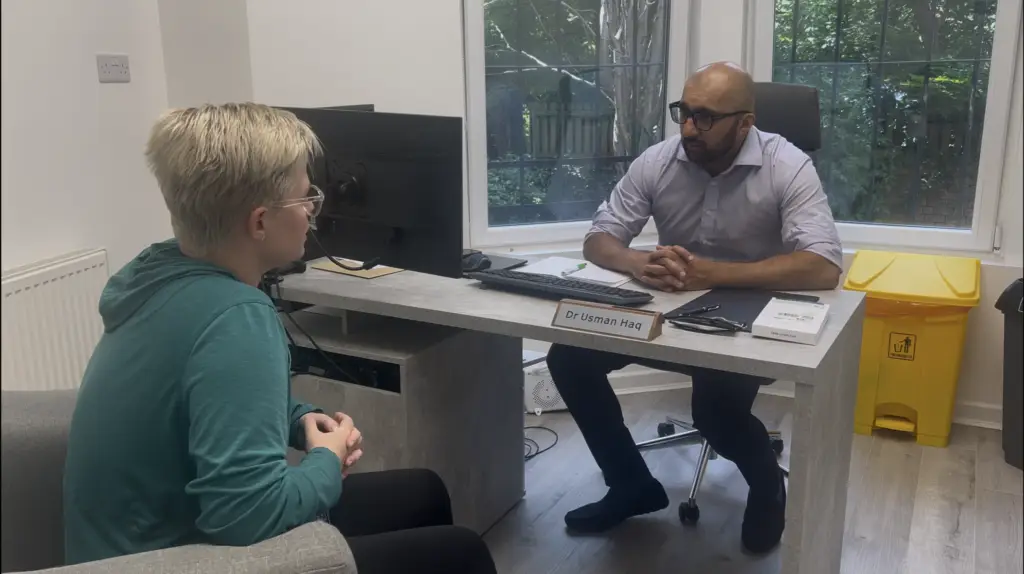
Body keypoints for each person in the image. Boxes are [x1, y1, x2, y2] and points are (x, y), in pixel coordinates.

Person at [62, 103, 496, 574]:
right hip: (172, 560)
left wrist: (301, 420)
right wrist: (326, 462)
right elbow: (248, 518)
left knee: (422, 492)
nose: (313, 209)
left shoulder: (161, 272)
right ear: (260, 222)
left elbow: (207, 397)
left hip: (126, 547)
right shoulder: (235, 318)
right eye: (306, 196)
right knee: (462, 552)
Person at [545, 62, 842, 554]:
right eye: (683, 112)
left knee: (718, 412)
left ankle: (768, 488)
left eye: (705, 118)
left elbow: (822, 266)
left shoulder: (787, 166)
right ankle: (631, 485)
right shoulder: (659, 160)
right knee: (569, 357)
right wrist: (637, 262)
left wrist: (714, 274)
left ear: (744, 123)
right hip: (666, 311)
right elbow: (599, 239)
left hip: (743, 320)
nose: (688, 128)